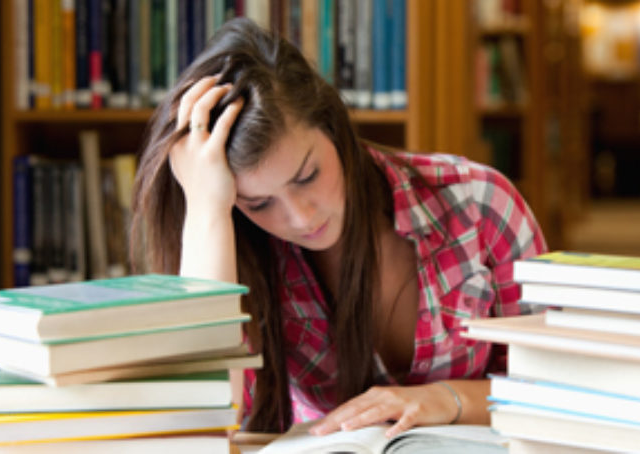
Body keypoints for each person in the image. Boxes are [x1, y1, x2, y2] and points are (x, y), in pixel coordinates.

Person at [130, 17, 547, 436]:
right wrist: (205, 209)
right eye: (259, 203)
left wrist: (447, 399)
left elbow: (561, 391)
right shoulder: (238, 247)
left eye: (308, 175)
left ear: (333, 126)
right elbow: (208, 421)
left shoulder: (480, 204)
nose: (300, 217)